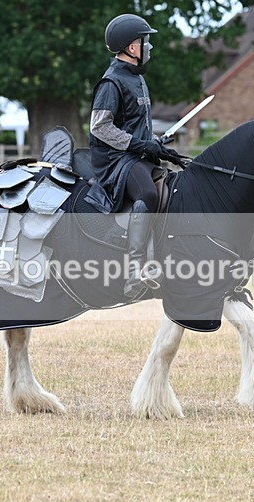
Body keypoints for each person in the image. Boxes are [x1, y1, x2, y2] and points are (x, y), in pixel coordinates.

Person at [87, 13, 171, 298]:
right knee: (147, 193)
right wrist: (139, 145)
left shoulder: (136, 78)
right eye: (146, 41)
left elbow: (134, 124)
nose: (150, 47)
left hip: (135, 153)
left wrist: (155, 142)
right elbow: (100, 128)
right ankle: (134, 272)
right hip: (114, 160)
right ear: (132, 48)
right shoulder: (111, 82)